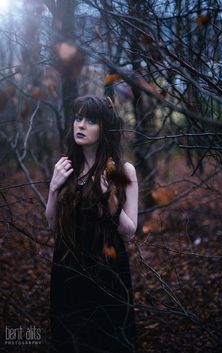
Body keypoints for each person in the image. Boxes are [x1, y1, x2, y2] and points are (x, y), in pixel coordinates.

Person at [45, 95, 138, 353]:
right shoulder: (65, 167)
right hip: (67, 268)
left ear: (104, 128)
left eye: (91, 120)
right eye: (78, 118)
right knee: (69, 340)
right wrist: (53, 188)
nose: (81, 125)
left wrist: (108, 198)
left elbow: (130, 232)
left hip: (107, 270)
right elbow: (51, 225)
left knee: (108, 340)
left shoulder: (123, 171)